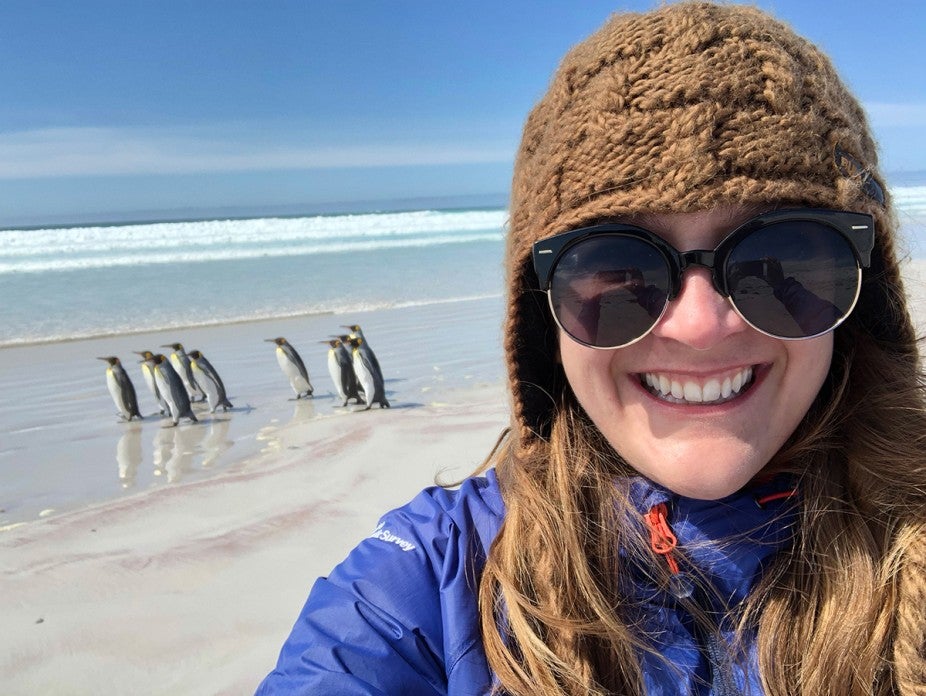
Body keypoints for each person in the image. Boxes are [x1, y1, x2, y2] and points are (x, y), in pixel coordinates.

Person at [257, 3, 926, 694]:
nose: (699, 325)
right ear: (542, 314)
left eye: (782, 257)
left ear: (861, 295)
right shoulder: (435, 577)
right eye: (617, 270)